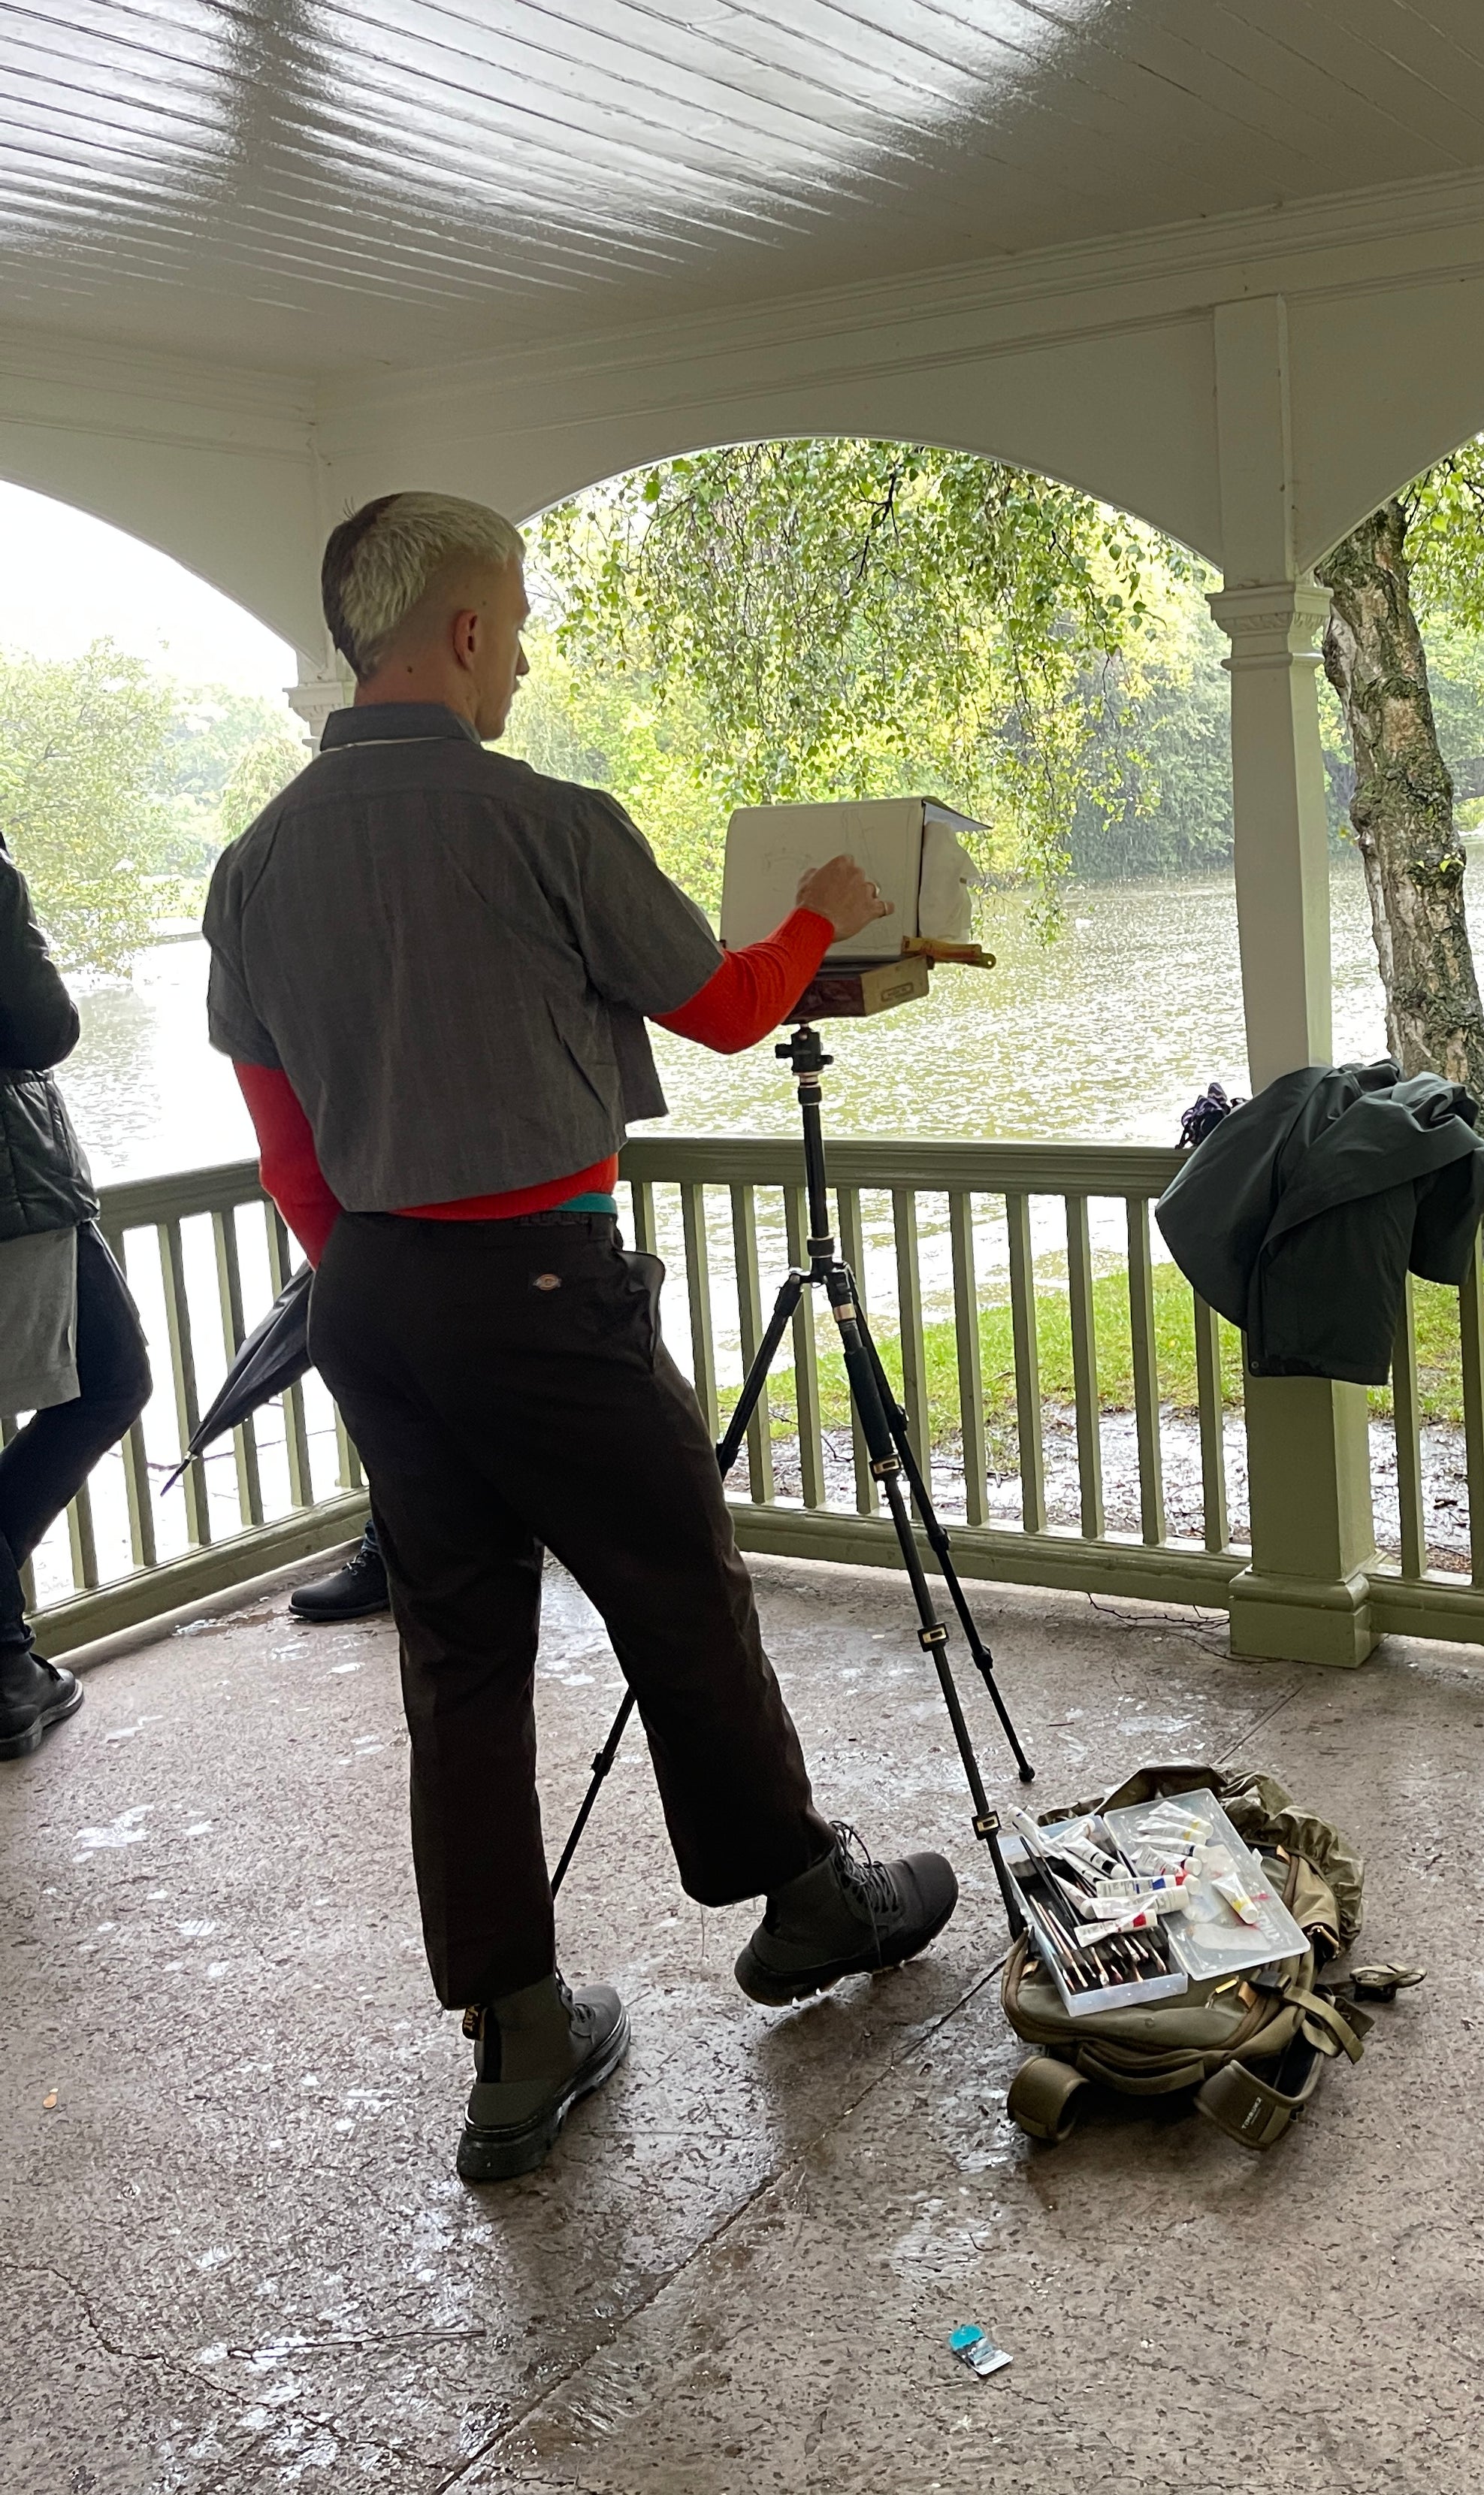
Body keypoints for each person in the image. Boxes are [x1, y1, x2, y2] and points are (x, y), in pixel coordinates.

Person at [204, 493, 956, 2183]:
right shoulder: (547, 821)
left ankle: (517, 2034)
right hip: (540, 1277)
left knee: (459, 1654)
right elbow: (729, 1004)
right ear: (462, 630)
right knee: (679, 1585)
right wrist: (821, 910)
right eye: (519, 619)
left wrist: (388, 1287)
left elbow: (287, 1149)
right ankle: (806, 1902)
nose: (528, 652)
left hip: (373, 1293)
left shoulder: (251, 866)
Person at [0, 834, 154, 1758]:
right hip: (12, 1187)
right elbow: (42, 1024)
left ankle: (8, 1665)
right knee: (113, 1376)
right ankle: (5, 1667)